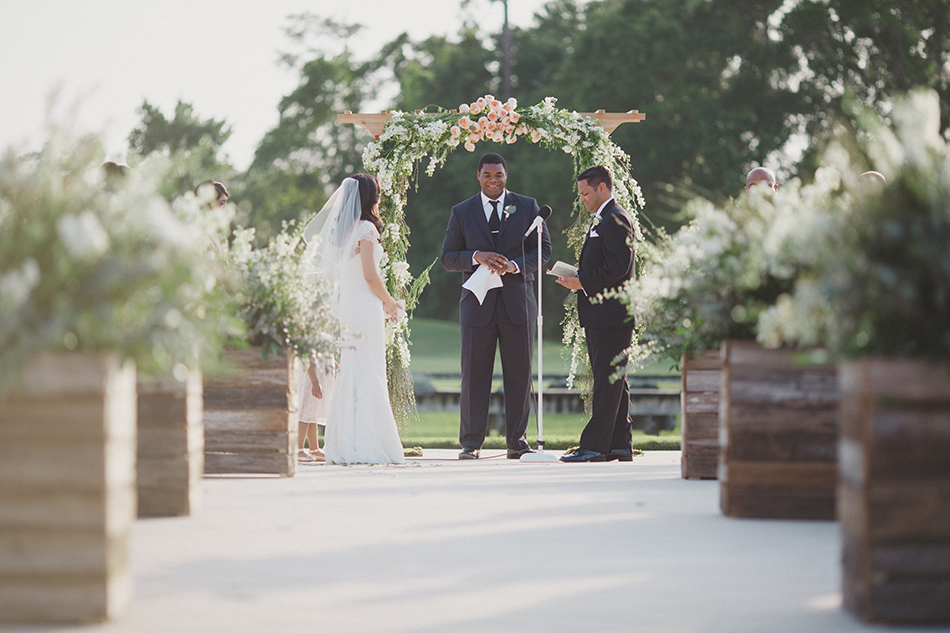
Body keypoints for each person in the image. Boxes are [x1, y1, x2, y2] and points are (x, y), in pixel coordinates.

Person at [441, 152, 552, 460]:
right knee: (474, 376)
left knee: (519, 375)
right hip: (477, 306)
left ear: (506, 176)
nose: (493, 179)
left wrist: (515, 266)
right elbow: (448, 257)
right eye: (488, 175)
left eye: (499, 175)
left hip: (518, 304)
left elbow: (543, 250)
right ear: (478, 176)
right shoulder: (462, 211)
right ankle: (471, 443)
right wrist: (477, 256)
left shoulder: (527, 206)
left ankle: (517, 442)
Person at [304, 174, 405, 465]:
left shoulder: (343, 229)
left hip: (350, 303)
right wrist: (390, 302)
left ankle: (343, 440)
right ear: (371, 196)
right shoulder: (365, 229)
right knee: (369, 367)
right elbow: (371, 275)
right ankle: (367, 441)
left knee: (353, 367)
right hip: (364, 304)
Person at [554, 166, 636, 462]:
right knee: (615, 379)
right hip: (603, 314)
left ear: (603, 188)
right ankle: (619, 444)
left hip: (612, 315)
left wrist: (582, 282)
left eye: (586, 193)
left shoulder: (615, 218)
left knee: (606, 379)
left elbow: (618, 267)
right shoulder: (604, 218)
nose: (582, 200)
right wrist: (578, 278)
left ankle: (594, 446)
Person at [295, 357, 333, 463]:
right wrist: (314, 382)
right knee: (305, 410)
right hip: (311, 376)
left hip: (320, 375)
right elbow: (307, 356)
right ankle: (298, 449)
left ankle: (314, 449)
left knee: (313, 412)